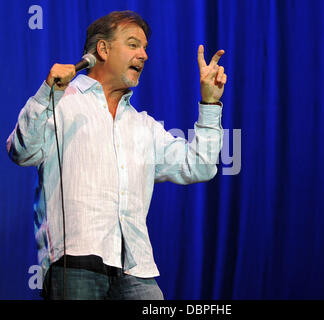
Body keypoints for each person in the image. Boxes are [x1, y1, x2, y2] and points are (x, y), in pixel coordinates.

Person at [6, 10, 227, 300]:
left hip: (137, 271)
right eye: (134, 44)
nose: (144, 55)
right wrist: (47, 93)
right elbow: (21, 151)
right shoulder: (60, 102)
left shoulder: (143, 126)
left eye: (145, 48)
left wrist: (209, 103)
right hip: (75, 264)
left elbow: (200, 166)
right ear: (103, 49)